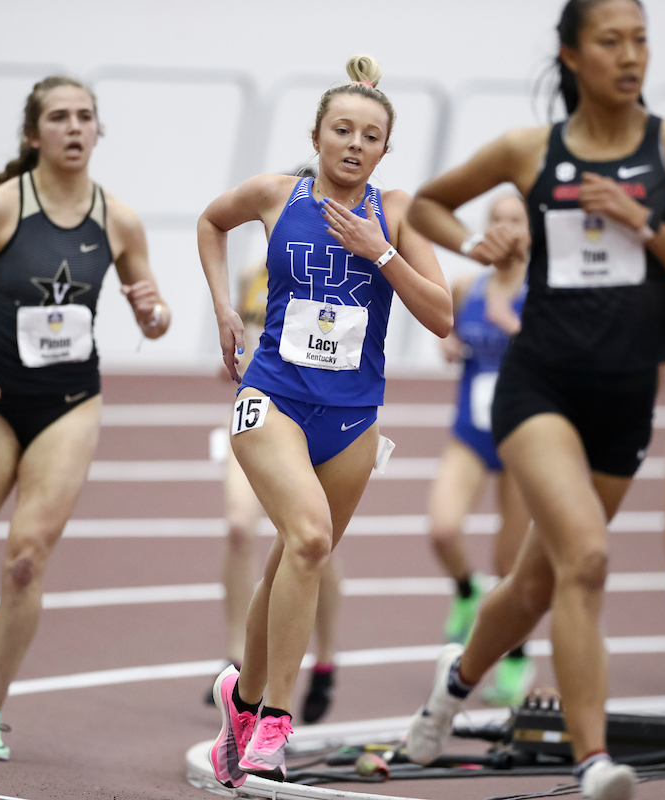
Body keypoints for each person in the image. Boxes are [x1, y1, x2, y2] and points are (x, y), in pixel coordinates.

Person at [403, 2, 665, 797]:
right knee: (586, 558)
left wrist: (644, 225)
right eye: (611, 41)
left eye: (641, 40)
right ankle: (594, 762)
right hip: (540, 384)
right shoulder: (530, 149)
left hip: (627, 394)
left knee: (535, 584)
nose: (631, 55)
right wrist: (475, 244)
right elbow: (425, 204)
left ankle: (451, 688)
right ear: (572, 55)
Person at [0, 75, 170, 760]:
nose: (74, 127)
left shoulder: (119, 219)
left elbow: (156, 315)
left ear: (97, 131)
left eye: (85, 117)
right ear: (33, 134)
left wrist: (153, 315)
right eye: (59, 117)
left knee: (25, 559)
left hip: (70, 405)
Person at [197, 55, 452, 786]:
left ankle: (241, 698)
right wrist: (223, 308)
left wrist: (383, 252)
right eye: (342, 130)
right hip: (271, 399)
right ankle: (276, 720)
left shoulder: (396, 211)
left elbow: (442, 316)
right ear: (316, 136)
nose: (354, 144)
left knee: (291, 560)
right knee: (309, 539)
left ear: (385, 149)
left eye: (370, 136)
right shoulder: (277, 195)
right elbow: (211, 223)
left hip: (352, 420)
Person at [207, 240, 343, 725]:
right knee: (238, 528)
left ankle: (325, 660)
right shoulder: (251, 275)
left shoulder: (335, 272)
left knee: (312, 544)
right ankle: (234, 658)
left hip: (313, 422)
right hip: (257, 414)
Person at [425, 193, 534, 705]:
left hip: (524, 440)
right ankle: (466, 591)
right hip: (470, 431)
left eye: (516, 220)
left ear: (531, 230)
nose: (505, 228)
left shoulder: (545, 291)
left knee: (510, 566)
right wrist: (447, 345)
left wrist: (510, 323)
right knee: (442, 528)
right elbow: (447, 332)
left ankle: (515, 658)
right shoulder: (469, 285)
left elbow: (560, 359)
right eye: (497, 220)